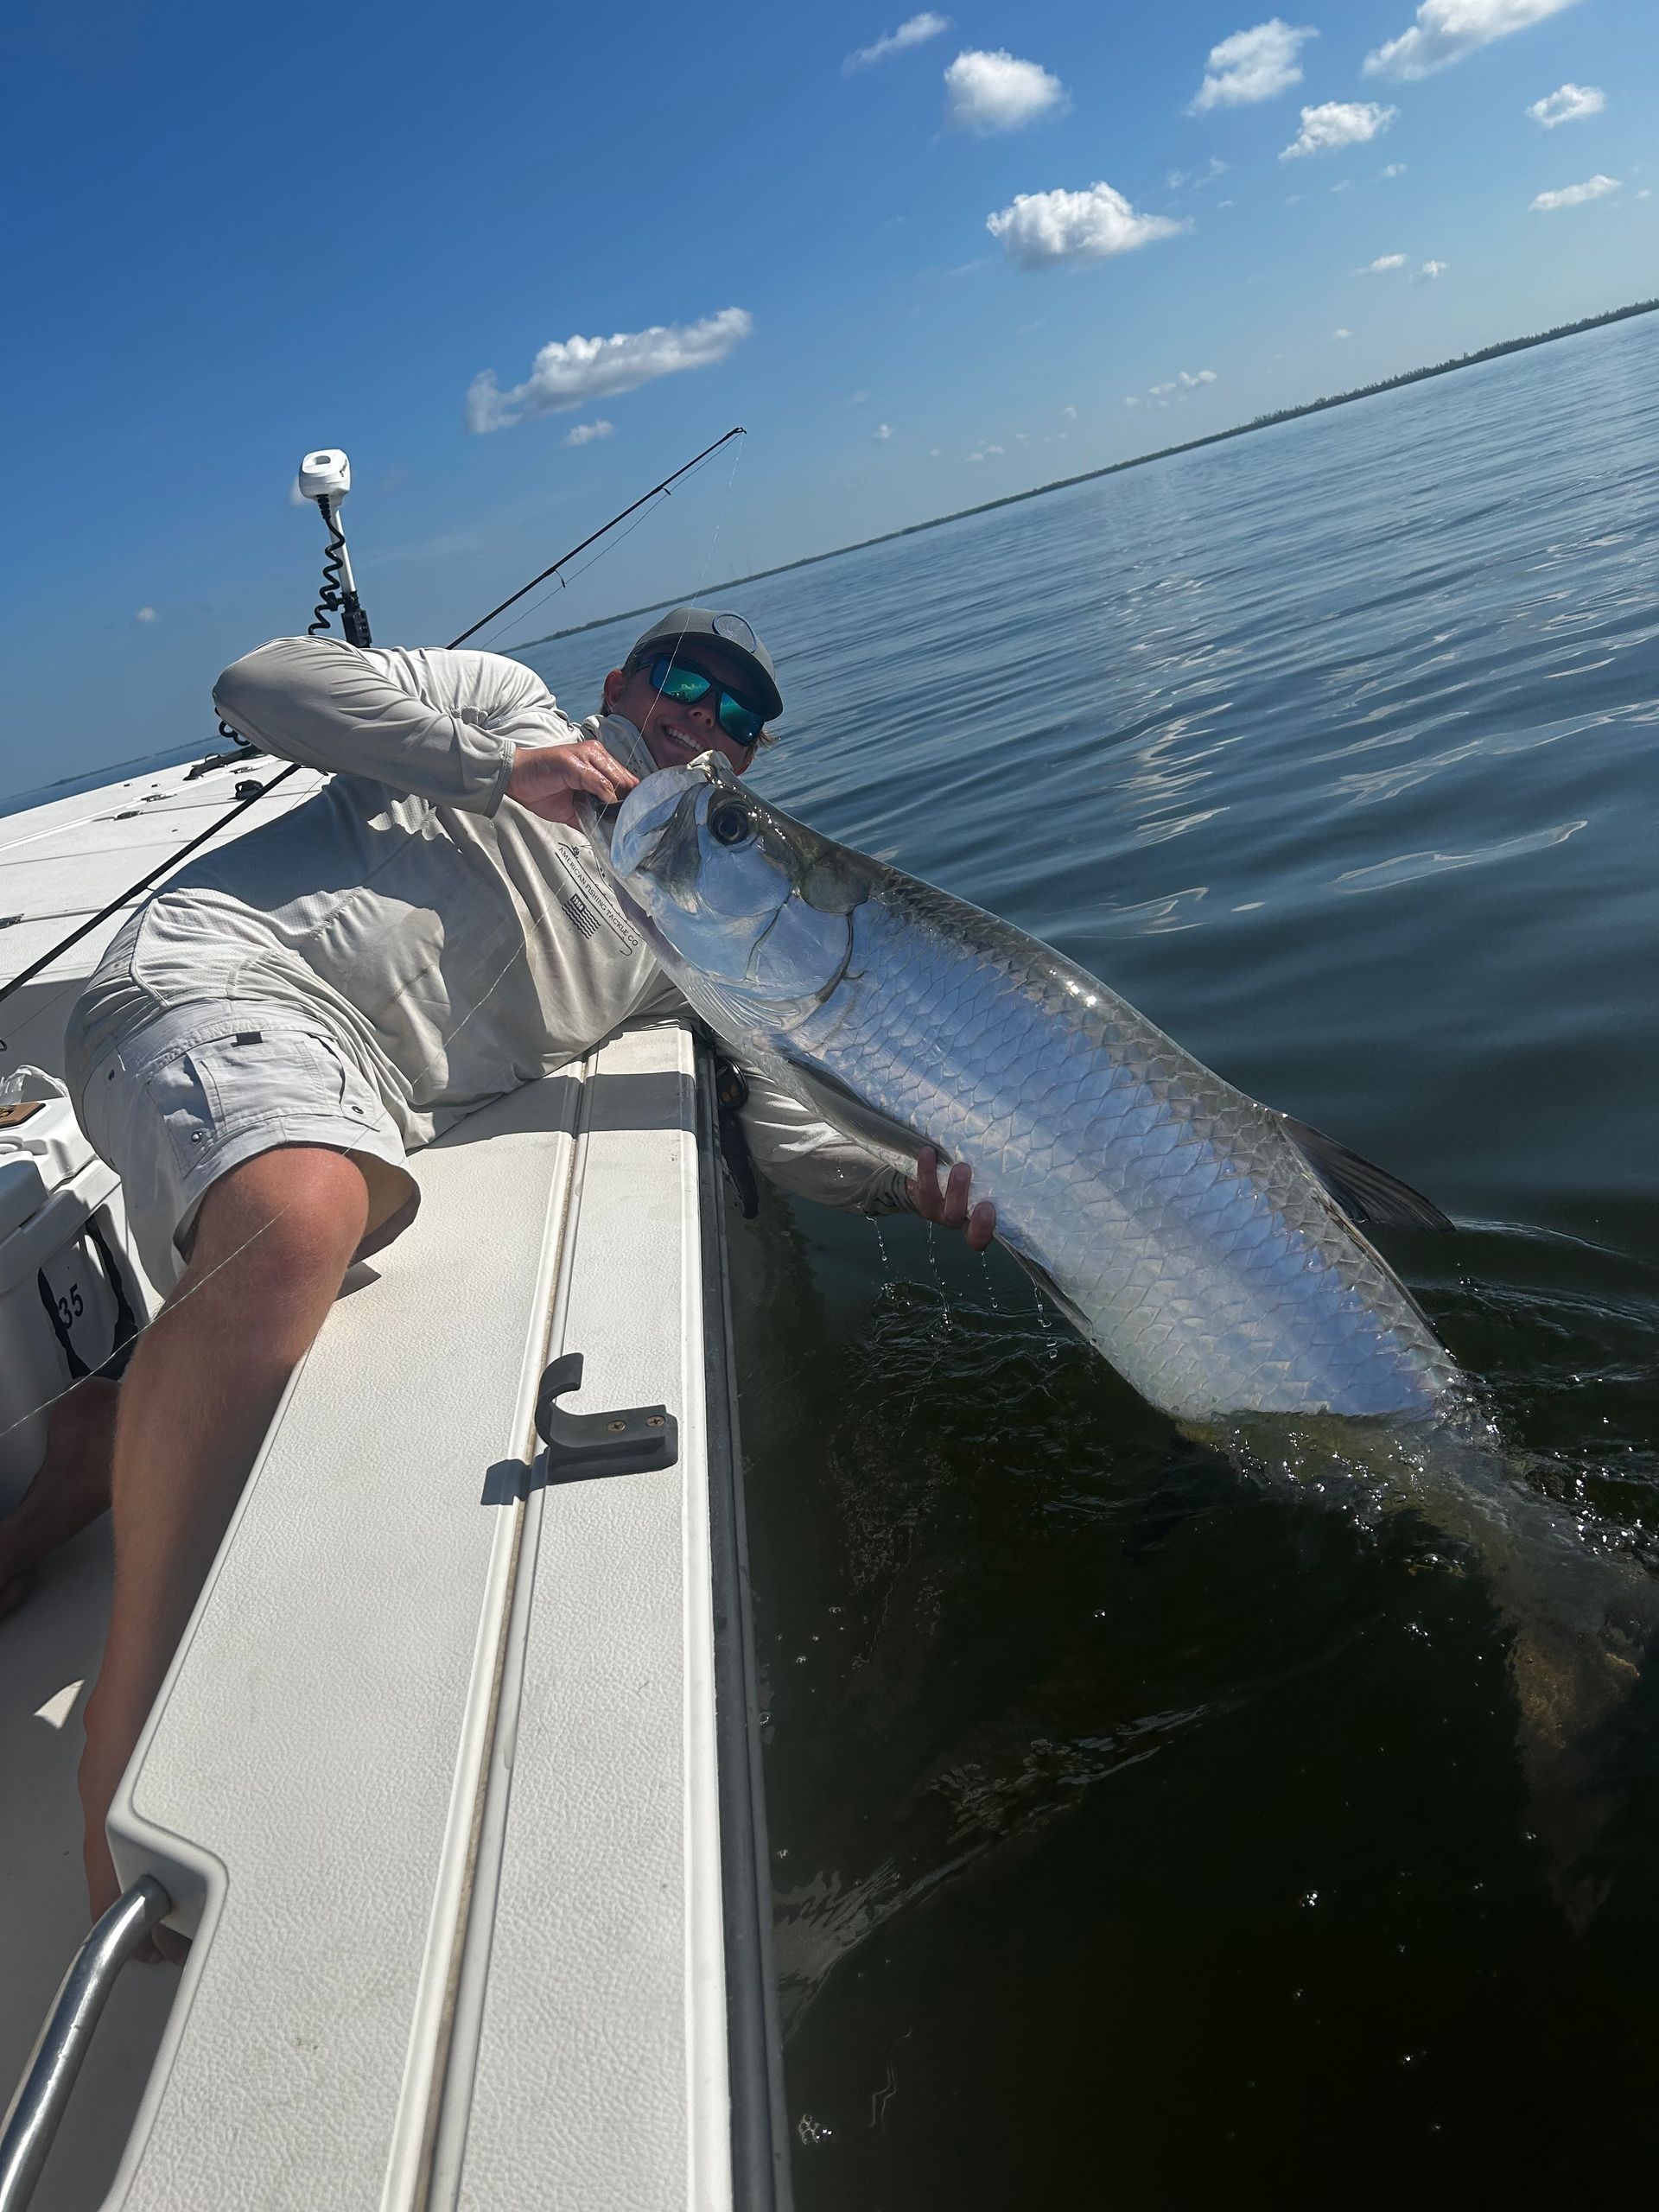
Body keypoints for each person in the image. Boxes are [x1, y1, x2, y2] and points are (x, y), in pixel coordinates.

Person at [0, 607, 995, 1928]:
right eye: (686, 684)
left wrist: (910, 1179)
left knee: (330, 1302)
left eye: (741, 723)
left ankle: (75, 1467)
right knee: (301, 1219)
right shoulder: (498, 700)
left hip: (363, 1096)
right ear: (620, 685)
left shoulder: (692, 935)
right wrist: (497, 769)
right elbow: (263, 681)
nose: (706, 722)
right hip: (222, 980)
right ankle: (121, 1748)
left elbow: (792, 1128)